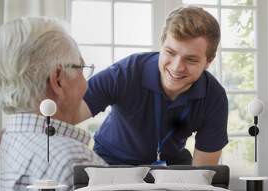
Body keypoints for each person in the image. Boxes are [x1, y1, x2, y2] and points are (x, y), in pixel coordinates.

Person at [80, 6, 228, 166]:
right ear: (162, 45)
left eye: (191, 60)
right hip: (111, 163)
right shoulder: (125, 73)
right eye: (170, 52)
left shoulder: (214, 97)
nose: (177, 67)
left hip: (169, 168)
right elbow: (68, 112)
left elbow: (203, 173)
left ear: (209, 61)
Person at [0, 17, 106, 191]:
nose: (86, 83)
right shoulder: (74, 161)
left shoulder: (1, 143)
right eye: (81, 69)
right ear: (58, 80)